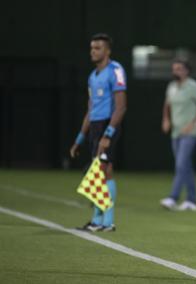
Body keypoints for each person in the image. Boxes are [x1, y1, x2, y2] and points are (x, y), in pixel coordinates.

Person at [70, 33, 127, 232]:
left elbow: (120, 107)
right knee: (98, 173)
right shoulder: (91, 77)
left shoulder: (116, 70)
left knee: (105, 171)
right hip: (95, 126)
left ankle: (107, 221)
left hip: (107, 125)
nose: (93, 51)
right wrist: (79, 138)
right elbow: (90, 109)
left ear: (107, 50)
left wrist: (108, 134)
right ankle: (97, 220)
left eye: (98, 48)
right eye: (92, 48)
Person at [160, 59, 196, 211]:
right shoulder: (171, 86)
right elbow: (167, 105)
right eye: (174, 69)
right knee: (185, 166)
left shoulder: (193, 86)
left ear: (186, 71)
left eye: (179, 69)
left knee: (181, 164)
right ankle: (192, 201)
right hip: (175, 133)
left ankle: (173, 198)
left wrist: (194, 123)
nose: (176, 71)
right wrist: (166, 119)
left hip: (190, 133)